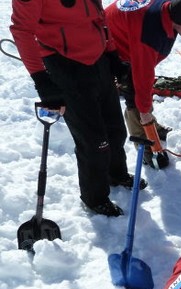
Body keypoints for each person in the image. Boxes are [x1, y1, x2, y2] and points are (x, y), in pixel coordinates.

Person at [10, 0, 146, 217]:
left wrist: (112, 55)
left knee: (115, 130)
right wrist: (41, 79)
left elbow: (99, 17)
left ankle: (116, 173)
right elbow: (22, 31)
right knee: (93, 141)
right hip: (64, 64)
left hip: (98, 58)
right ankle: (94, 197)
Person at [105, 0, 181, 169]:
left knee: (142, 92)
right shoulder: (149, 33)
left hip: (128, 30)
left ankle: (151, 126)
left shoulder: (169, 10)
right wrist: (144, 110)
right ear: (176, 21)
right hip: (109, 41)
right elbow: (142, 73)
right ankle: (145, 144)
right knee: (135, 96)